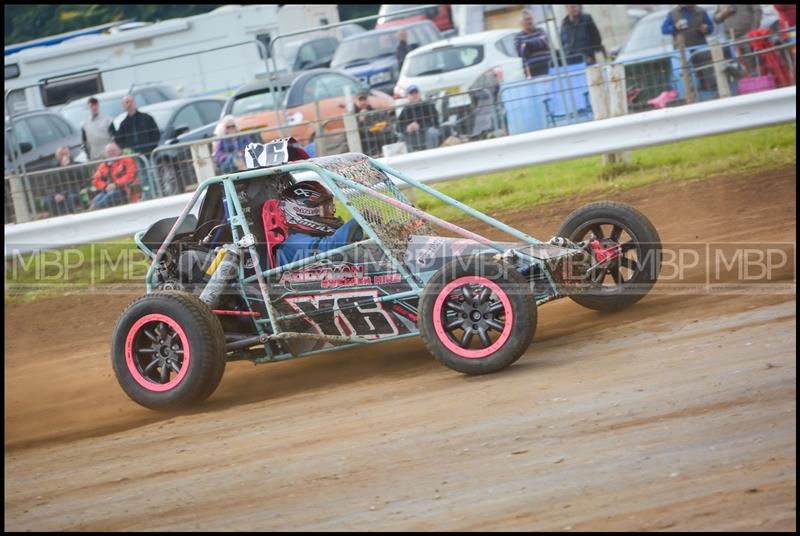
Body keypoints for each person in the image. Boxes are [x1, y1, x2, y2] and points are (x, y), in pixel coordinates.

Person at [276, 180, 364, 266]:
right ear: (303, 212)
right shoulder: (293, 242)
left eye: (331, 207)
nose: (332, 212)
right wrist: (357, 221)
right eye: (325, 209)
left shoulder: (317, 236)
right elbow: (326, 248)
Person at [661, 5, 717, 95]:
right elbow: (664, 29)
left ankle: (711, 94)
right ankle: (690, 97)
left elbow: (711, 28)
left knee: (706, 74)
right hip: (683, 51)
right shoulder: (672, 13)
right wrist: (675, 27)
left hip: (700, 48)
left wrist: (706, 29)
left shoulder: (701, 11)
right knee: (686, 77)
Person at [89, 142, 140, 210]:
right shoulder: (103, 165)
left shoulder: (127, 160)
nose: (111, 153)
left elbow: (130, 176)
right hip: (107, 190)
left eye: (114, 150)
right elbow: (95, 180)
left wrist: (115, 184)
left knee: (107, 199)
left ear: (120, 150)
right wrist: (105, 186)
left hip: (125, 190)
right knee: (97, 199)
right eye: (109, 152)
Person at [714, 5, 763, 75]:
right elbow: (716, 19)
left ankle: (760, 81)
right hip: (731, 39)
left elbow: (758, 11)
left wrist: (753, 30)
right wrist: (724, 13)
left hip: (747, 35)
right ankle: (748, 83)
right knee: (740, 67)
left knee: (754, 63)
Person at [42, 146, 84, 216]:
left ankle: (67, 216)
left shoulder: (77, 166)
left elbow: (78, 183)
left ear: (69, 154)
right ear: (56, 157)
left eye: (66, 154)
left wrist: (68, 167)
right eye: (61, 155)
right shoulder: (53, 170)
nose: (64, 157)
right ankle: (56, 217)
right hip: (57, 194)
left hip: (72, 192)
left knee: (71, 198)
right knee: (47, 200)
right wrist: (55, 195)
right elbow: (49, 187)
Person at [398, 85, 441, 151]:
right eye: (412, 94)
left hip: (426, 133)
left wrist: (420, 126)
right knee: (401, 137)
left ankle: (432, 153)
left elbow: (435, 123)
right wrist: (407, 128)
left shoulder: (428, 105)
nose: (414, 95)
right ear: (408, 97)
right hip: (412, 136)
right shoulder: (405, 110)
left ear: (420, 94)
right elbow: (398, 126)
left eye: (416, 93)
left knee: (432, 131)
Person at [353, 90, 395, 157]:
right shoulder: (353, 114)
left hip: (377, 135)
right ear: (356, 101)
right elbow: (354, 131)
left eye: (365, 100)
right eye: (361, 100)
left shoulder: (373, 110)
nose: (363, 102)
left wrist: (380, 126)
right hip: (364, 139)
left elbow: (384, 121)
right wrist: (361, 120)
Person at [514, 9, 551, 78]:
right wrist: (537, 42)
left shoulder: (540, 31)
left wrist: (527, 43)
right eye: (527, 20)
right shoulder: (518, 37)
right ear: (521, 22)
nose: (530, 21)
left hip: (547, 67)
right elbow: (522, 53)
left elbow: (545, 44)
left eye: (531, 19)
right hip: (530, 71)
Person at [81, 97, 116, 161]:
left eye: (95, 105)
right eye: (91, 106)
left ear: (98, 106)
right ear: (88, 107)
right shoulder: (84, 124)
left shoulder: (108, 120)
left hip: (108, 156)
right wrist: (88, 155)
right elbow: (84, 142)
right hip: (94, 158)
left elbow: (114, 138)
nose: (94, 108)